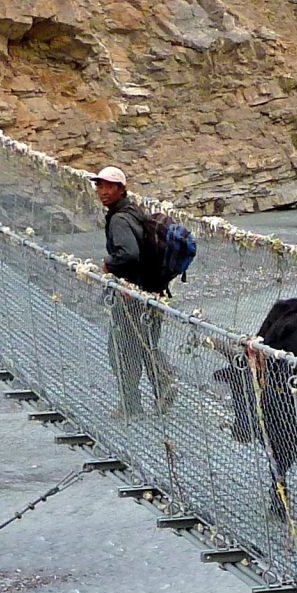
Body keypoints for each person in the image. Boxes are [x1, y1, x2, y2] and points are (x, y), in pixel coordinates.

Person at [94, 165, 178, 415]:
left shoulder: (119, 219)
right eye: (99, 186)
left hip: (131, 295)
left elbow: (129, 254)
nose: (103, 191)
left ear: (121, 189)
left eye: (109, 186)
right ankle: (161, 386)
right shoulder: (133, 211)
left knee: (121, 349)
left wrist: (109, 265)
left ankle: (134, 403)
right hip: (152, 291)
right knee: (144, 343)